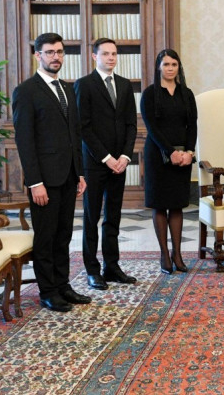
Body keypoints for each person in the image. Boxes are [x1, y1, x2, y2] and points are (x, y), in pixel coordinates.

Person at [12, 32, 89, 312]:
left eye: (59, 52)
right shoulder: (26, 91)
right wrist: (35, 182)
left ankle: (62, 285)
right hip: (43, 179)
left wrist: (80, 173)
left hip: (68, 175)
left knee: (63, 234)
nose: (56, 57)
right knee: (45, 236)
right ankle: (47, 291)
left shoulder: (67, 88)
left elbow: (75, 134)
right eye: (49, 52)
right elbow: (25, 141)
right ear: (38, 56)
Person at [74, 38, 138, 291]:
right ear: (94, 57)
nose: (111, 58)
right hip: (95, 163)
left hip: (120, 163)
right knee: (92, 218)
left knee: (113, 217)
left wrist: (125, 156)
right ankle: (92, 270)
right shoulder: (84, 85)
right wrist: (106, 158)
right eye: (105, 54)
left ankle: (111, 266)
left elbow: (131, 124)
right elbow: (84, 127)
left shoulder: (124, 85)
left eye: (114, 54)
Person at [141, 49, 197, 275]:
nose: (170, 68)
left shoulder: (187, 93)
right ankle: (164, 253)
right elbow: (152, 127)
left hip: (183, 157)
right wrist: (170, 151)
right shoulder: (149, 94)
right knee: (159, 204)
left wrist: (190, 152)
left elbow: (192, 125)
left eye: (174, 64)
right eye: (166, 64)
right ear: (159, 67)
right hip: (157, 155)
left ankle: (177, 254)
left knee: (177, 204)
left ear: (178, 67)